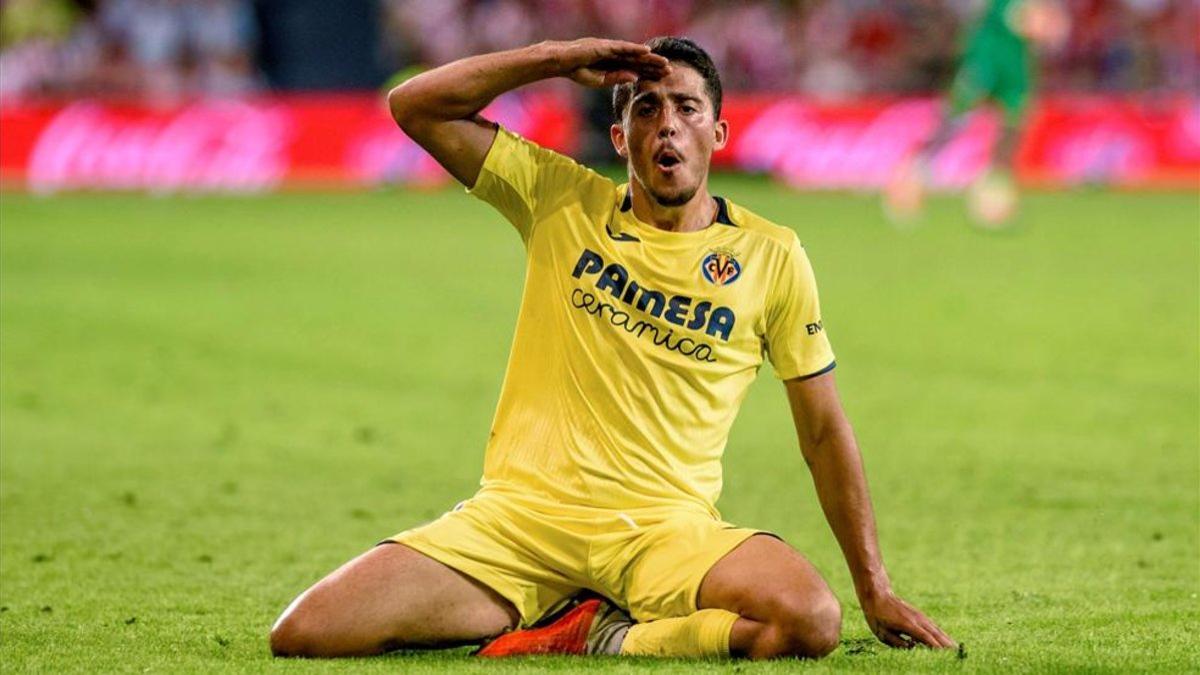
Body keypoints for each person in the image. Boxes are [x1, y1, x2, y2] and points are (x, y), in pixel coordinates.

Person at [269, 36, 955, 661]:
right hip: (520, 523)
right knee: (307, 632)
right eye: (649, 109)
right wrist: (558, 60)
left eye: (687, 108)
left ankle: (599, 632)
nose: (668, 125)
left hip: (664, 534)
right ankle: (550, 606)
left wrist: (875, 586)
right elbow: (416, 106)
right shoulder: (557, 197)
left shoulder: (771, 256)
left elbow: (824, 429)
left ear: (715, 132)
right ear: (619, 136)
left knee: (808, 618)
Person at [885, 0, 1068, 227]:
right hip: (987, 55)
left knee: (1015, 121)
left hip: (1016, 60)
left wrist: (1049, 23)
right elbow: (1025, 20)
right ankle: (910, 179)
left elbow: (1045, 24)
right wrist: (1045, 23)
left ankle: (994, 189)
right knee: (955, 120)